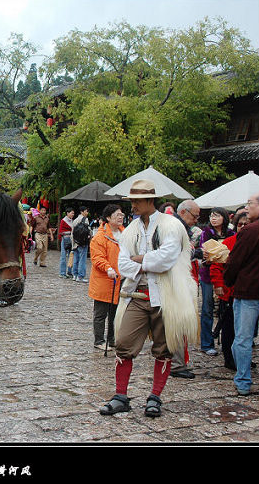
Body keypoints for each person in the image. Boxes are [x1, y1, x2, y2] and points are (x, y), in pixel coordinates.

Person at [99, 179, 198, 418]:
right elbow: (123, 263)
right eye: (131, 200)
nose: (132, 205)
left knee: (163, 349)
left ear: (149, 200)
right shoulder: (131, 230)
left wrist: (139, 259)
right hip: (137, 294)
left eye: (136, 201)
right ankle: (120, 395)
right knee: (123, 344)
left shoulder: (171, 225)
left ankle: (155, 396)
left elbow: (167, 258)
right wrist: (145, 262)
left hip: (165, 296)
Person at [224, 192, 259, 396]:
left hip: (249, 291)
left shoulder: (251, 231)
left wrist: (228, 281)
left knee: (243, 339)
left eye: (249, 204)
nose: (246, 208)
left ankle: (243, 381)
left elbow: (234, 261)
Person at [168, 199, 203, 379]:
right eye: (195, 216)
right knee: (177, 323)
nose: (196, 220)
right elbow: (172, 255)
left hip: (180, 280)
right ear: (183, 212)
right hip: (175, 282)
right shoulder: (174, 228)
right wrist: (196, 253)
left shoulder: (177, 226)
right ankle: (176, 364)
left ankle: (176, 362)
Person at [210, 210, 250, 371]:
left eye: (246, 224)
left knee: (246, 330)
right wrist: (218, 285)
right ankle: (229, 358)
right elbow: (215, 266)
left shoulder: (255, 241)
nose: (243, 227)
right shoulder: (228, 242)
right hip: (230, 293)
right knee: (229, 328)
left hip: (249, 292)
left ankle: (242, 359)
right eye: (240, 224)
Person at [199, 207, 234, 356]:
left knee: (226, 310)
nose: (214, 218)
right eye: (212, 216)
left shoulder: (231, 233)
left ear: (224, 218)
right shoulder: (206, 233)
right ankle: (207, 343)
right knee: (207, 308)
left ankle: (228, 341)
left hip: (227, 275)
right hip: (208, 274)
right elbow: (203, 254)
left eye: (217, 216)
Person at [89, 204, 124, 351]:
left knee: (115, 312)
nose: (121, 217)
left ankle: (112, 338)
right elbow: (97, 258)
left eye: (122, 214)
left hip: (120, 279)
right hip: (104, 280)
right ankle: (99, 340)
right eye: (117, 215)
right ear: (108, 218)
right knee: (101, 313)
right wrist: (108, 268)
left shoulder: (125, 234)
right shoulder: (100, 237)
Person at [71, 206, 90, 282]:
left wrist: (73, 243)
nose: (87, 213)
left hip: (75, 242)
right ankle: (81, 276)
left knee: (76, 259)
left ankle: (74, 275)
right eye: (86, 211)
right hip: (83, 242)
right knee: (82, 259)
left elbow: (72, 232)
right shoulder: (85, 220)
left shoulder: (75, 220)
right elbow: (88, 231)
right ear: (82, 212)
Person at [58, 208, 75, 278]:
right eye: (71, 213)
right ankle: (62, 273)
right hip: (65, 239)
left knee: (71, 256)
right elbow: (61, 231)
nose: (73, 214)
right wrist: (70, 232)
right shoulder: (63, 221)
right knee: (63, 256)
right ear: (67, 213)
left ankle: (69, 271)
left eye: (73, 213)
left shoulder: (72, 221)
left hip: (71, 240)